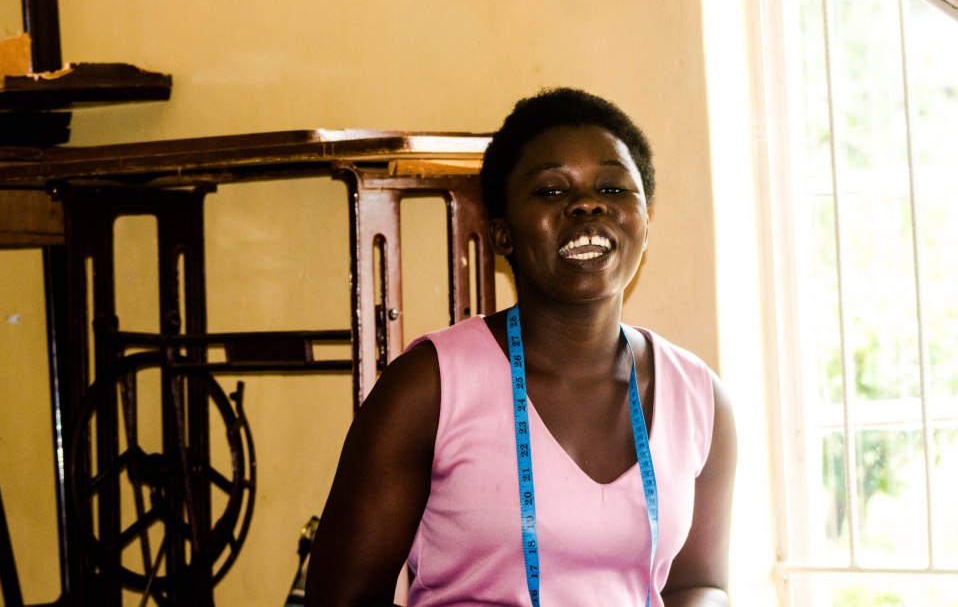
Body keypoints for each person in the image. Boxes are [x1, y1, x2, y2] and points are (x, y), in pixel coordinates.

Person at [304, 87, 737, 606]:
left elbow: (699, 583)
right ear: (502, 235)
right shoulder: (428, 389)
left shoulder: (699, 398)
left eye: (613, 187)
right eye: (552, 191)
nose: (587, 204)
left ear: (645, 225)